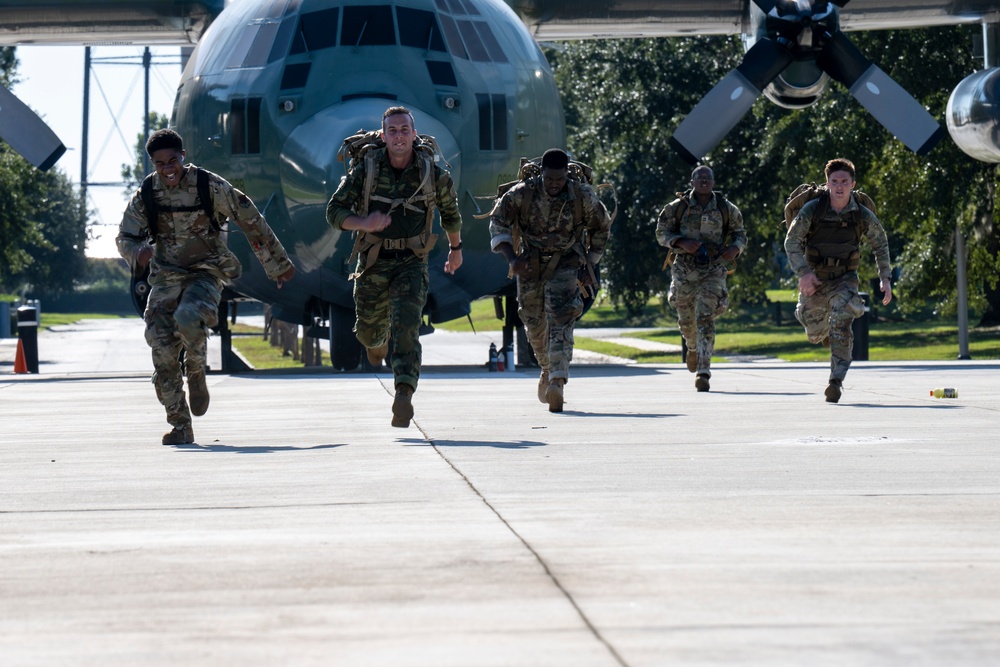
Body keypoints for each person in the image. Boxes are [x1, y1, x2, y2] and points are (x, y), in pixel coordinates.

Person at [117, 129, 296, 445]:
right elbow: (125, 237)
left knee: (188, 315)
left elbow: (249, 217)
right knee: (161, 349)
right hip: (166, 276)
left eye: (173, 160)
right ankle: (181, 427)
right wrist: (136, 253)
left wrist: (277, 264)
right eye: (160, 163)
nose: (168, 169)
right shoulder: (146, 194)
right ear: (153, 164)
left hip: (206, 271)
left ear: (183, 156)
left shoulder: (208, 185)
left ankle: (196, 370)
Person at [326, 106, 463, 428]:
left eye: (404, 130)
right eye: (393, 131)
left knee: (407, 327)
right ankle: (377, 345)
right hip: (374, 262)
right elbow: (334, 212)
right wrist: (364, 223)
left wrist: (455, 249)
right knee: (368, 333)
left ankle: (404, 391)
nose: (399, 136)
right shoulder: (366, 171)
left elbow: (450, 213)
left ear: (414, 135)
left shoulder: (432, 173)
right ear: (384, 135)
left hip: (412, 263)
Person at [489, 148, 611, 412]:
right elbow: (498, 223)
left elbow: (601, 225)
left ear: (567, 173)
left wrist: (590, 262)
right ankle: (547, 368)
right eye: (549, 178)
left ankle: (557, 379)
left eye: (560, 178)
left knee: (562, 319)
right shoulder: (522, 193)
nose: (555, 184)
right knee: (532, 321)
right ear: (541, 173)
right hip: (529, 263)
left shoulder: (582, 195)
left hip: (566, 262)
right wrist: (512, 258)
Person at [784, 157, 892, 403]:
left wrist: (885, 278)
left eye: (844, 181)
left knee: (842, 324)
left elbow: (880, 244)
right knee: (813, 331)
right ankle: (821, 330)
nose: (840, 186)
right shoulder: (812, 210)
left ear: (853, 184)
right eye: (835, 181)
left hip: (845, 278)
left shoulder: (861, 214)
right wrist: (804, 273)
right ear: (827, 183)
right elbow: (791, 242)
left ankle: (836, 381)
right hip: (815, 277)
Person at [655, 165, 746, 392]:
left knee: (705, 315)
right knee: (687, 321)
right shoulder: (677, 208)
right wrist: (681, 241)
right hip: (685, 269)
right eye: (700, 178)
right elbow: (661, 232)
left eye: (708, 178)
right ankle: (693, 348)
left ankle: (703, 372)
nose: (704, 181)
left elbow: (740, 233)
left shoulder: (726, 208)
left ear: (713, 182)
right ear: (692, 182)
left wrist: (735, 248)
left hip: (713, 268)